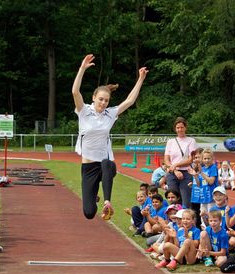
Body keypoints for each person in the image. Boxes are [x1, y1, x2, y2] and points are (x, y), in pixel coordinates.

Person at [72, 54, 148, 221]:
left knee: (107, 163)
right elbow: (75, 91)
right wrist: (82, 69)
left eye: (106, 100)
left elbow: (129, 100)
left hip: (106, 166)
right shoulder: (84, 111)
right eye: (100, 99)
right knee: (89, 213)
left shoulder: (110, 113)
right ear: (93, 98)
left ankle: (107, 201)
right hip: (88, 168)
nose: (103, 103)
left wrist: (141, 78)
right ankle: (95, 198)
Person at [164, 117, 198, 209]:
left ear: (185, 128)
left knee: (186, 202)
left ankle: (187, 221)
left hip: (186, 173)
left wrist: (175, 165)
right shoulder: (170, 142)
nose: (180, 129)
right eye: (178, 127)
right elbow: (166, 160)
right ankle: (173, 222)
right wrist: (175, 170)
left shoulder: (191, 141)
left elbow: (190, 159)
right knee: (173, 202)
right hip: (172, 174)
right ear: (175, 129)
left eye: (182, 127)